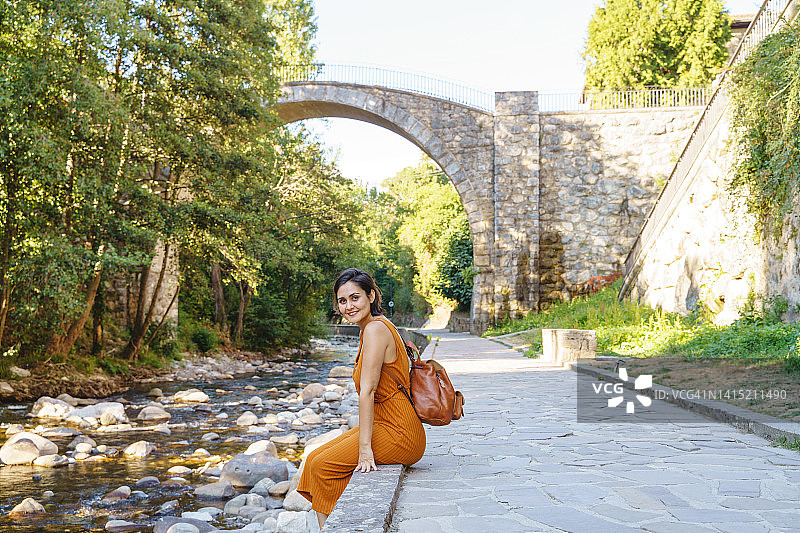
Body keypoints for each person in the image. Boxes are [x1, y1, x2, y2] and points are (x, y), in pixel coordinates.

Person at [297, 268, 426, 527]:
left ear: (371, 295)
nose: (348, 306)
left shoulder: (375, 330)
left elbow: (368, 391)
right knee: (312, 460)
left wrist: (364, 451)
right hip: (387, 425)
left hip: (400, 432)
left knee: (322, 466)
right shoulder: (369, 327)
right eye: (342, 301)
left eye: (355, 298)